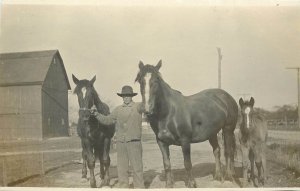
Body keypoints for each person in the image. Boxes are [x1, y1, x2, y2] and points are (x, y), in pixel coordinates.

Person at [91, 85, 145, 188]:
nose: (126, 98)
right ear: (122, 97)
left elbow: (149, 106)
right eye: (124, 96)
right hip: (121, 144)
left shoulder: (138, 107)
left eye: (128, 95)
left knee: (137, 169)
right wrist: (96, 114)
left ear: (131, 96)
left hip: (134, 143)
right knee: (122, 169)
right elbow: (107, 120)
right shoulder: (118, 109)